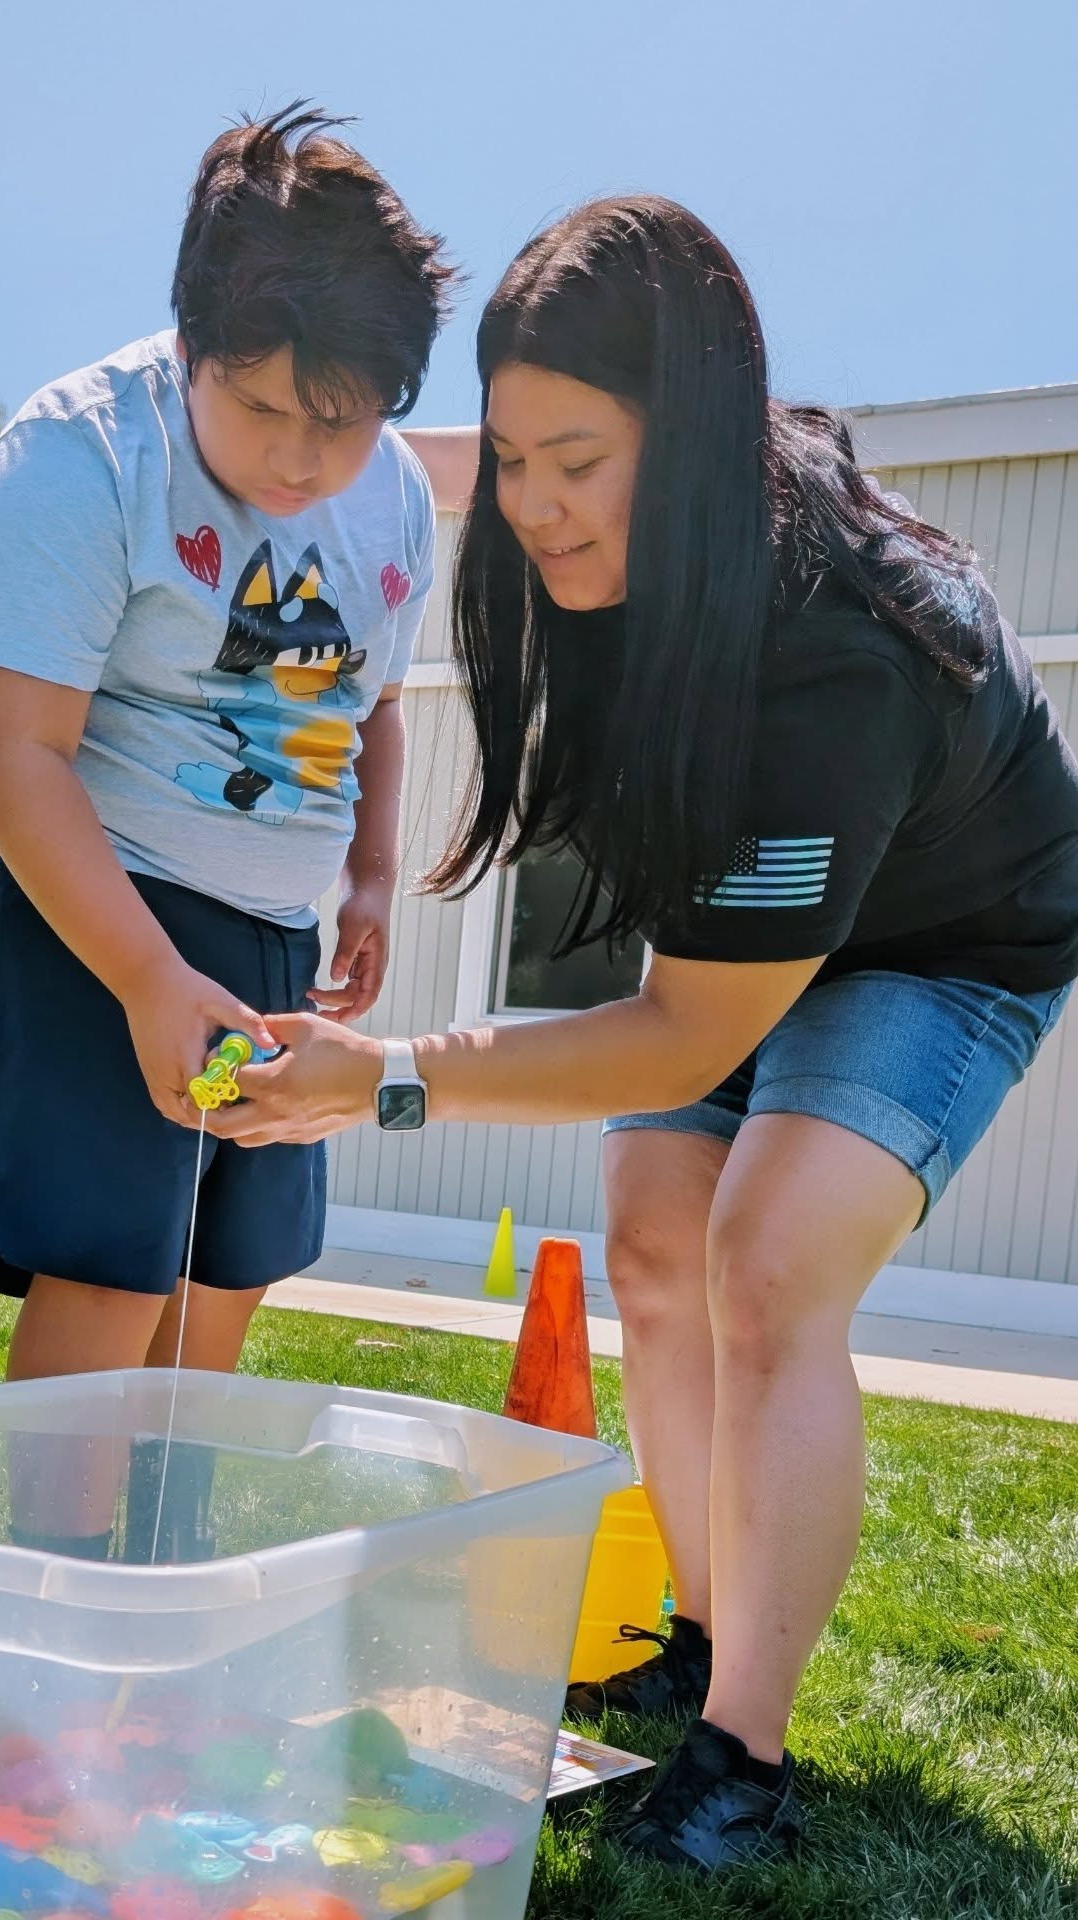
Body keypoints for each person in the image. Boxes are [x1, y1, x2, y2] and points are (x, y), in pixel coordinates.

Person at [192, 195, 1078, 1869]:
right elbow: (424, 460)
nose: (534, 504)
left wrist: (382, 1082)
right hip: (765, 930)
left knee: (764, 1261)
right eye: (515, 456)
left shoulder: (841, 654)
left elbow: (676, 1041)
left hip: (954, 938)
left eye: (577, 460)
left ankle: (746, 1748)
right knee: (653, 1239)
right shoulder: (601, 548)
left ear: (690, 439)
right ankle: (698, 1632)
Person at [0, 104, 453, 1559]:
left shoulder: (397, 498)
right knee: (111, 1256)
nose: (297, 458)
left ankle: (165, 1578)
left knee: (233, 1260)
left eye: (339, 420)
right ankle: (58, 1592)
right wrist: (149, 977)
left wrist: (368, 876)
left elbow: (379, 703)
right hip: (85, 901)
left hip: (271, 931)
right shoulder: (79, 457)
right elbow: (10, 753)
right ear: (191, 345)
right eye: (263, 408)